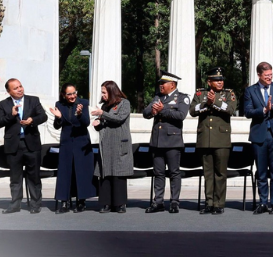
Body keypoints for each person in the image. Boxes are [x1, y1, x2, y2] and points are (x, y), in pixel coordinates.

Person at [242, 61, 273, 215]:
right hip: (259, 135)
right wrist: (264, 109)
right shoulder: (250, 90)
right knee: (261, 171)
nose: (269, 78)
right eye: (266, 75)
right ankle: (263, 202)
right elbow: (247, 112)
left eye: (271, 75)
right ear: (259, 75)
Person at [0, 78, 47, 214]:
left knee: (34, 176)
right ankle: (15, 204)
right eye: (16, 88)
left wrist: (32, 120)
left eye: (20, 86)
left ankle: (35, 204)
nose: (20, 89)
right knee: (15, 177)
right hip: (13, 145)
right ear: (9, 91)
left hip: (31, 143)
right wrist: (11, 116)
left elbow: (43, 116)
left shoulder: (33, 100)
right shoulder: (3, 104)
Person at [142, 70, 190, 214]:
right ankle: (158, 202)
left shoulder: (182, 98)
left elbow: (181, 115)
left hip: (172, 141)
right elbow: (145, 113)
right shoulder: (158, 97)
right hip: (157, 141)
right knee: (159, 173)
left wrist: (162, 111)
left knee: (174, 173)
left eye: (164, 83)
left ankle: (174, 202)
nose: (161, 86)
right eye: (160, 83)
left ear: (172, 84)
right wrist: (153, 112)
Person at [190, 67, 236, 215]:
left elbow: (230, 109)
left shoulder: (229, 94)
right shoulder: (200, 93)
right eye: (216, 80)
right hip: (205, 139)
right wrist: (206, 104)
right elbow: (192, 111)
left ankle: (219, 203)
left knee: (220, 173)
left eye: (221, 80)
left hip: (221, 139)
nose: (220, 82)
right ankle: (209, 202)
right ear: (209, 82)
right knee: (208, 173)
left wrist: (214, 101)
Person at [49, 84, 97, 213]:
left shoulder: (83, 103)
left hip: (81, 142)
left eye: (74, 93)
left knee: (81, 171)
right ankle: (65, 202)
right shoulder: (59, 105)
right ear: (64, 95)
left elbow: (86, 122)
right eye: (69, 94)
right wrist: (58, 117)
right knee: (65, 172)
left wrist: (80, 114)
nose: (72, 96)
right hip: (67, 142)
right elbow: (57, 126)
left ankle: (81, 201)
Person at [91, 80, 132, 213]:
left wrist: (102, 114)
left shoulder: (124, 103)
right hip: (106, 144)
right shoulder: (104, 106)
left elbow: (119, 118)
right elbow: (105, 124)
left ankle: (120, 204)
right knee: (105, 174)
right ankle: (106, 203)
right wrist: (98, 124)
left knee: (118, 173)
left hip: (119, 143)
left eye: (104, 92)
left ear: (111, 91)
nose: (102, 95)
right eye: (102, 92)